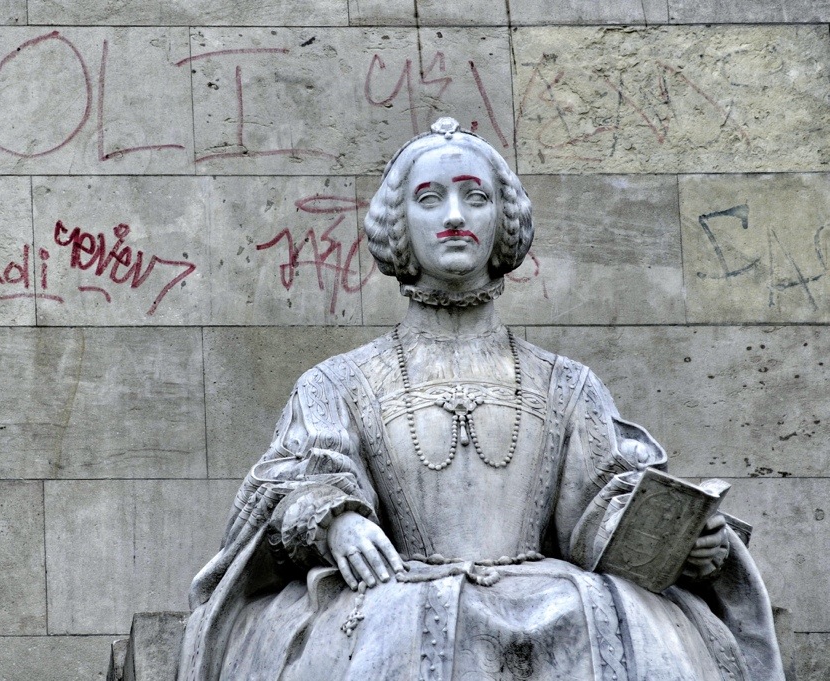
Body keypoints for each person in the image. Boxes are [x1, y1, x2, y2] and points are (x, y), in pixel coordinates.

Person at [177, 118, 784, 680]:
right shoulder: (337, 382)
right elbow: (287, 491)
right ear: (398, 225)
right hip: (400, 594)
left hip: (548, 595)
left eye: (475, 197)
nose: (454, 217)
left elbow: (600, 509)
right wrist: (335, 520)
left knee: (618, 618)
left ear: (503, 220)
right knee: (397, 629)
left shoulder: (566, 383)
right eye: (429, 198)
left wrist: (684, 543)